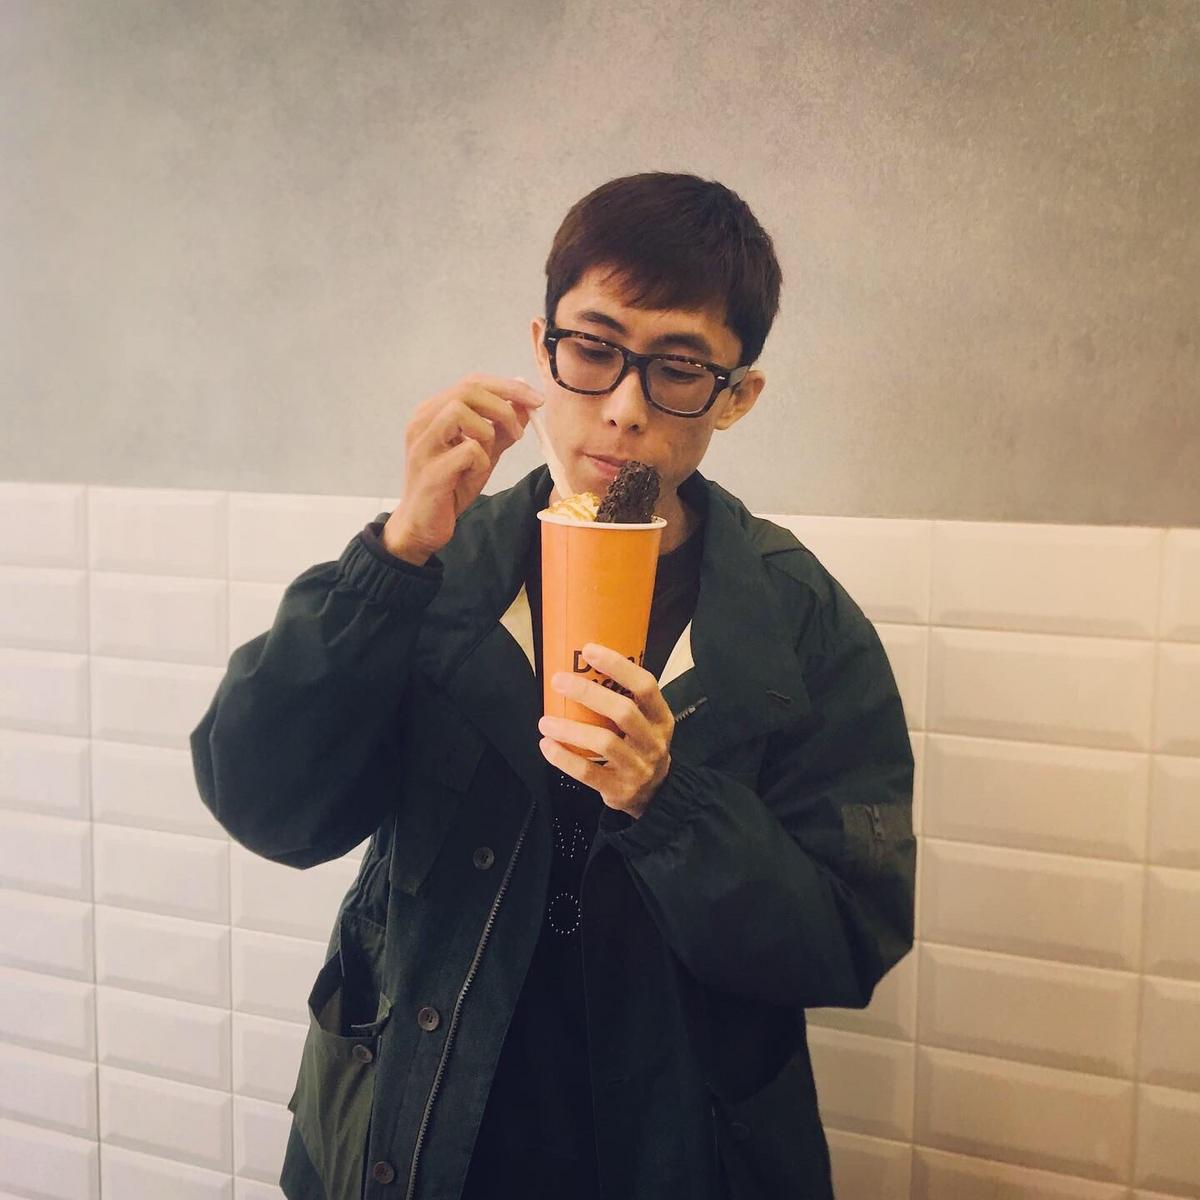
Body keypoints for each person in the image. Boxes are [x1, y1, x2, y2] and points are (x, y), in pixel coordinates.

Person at [191, 172, 915, 1200]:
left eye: (678, 369)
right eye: (594, 349)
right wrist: (393, 557)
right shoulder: (435, 568)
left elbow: (847, 940)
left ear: (737, 396)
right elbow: (269, 805)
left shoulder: (799, 623)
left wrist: (669, 802)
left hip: (677, 1151)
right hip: (421, 1134)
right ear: (543, 348)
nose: (623, 410)